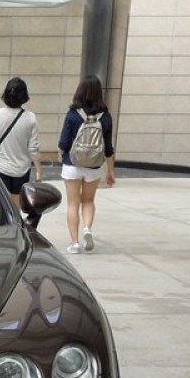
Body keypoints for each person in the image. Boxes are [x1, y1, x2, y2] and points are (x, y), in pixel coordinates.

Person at [58, 74, 115, 254]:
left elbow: (63, 143)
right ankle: (87, 228)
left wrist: (61, 155)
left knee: (72, 203)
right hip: (94, 167)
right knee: (88, 200)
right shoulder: (105, 116)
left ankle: (74, 243)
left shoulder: (73, 114)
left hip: (72, 164)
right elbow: (108, 147)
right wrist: (110, 171)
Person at [0, 77, 42, 207]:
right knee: (16, 205)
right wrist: (38, 171)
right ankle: (15, 226)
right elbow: (33, 148)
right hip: (22, 169)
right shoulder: (31, 118)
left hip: (0, 166)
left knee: (0, 205)